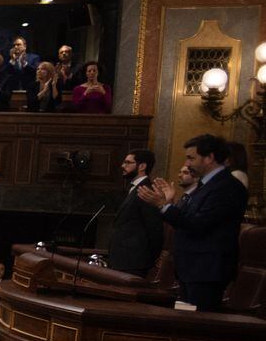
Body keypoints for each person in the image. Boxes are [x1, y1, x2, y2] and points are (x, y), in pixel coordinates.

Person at [137, 133, 248, 310]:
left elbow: (198, 224)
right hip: (191, 270)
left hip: (207, 272)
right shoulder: (205, 185)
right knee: (184, 323)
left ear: (209, 158)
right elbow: (185, 220)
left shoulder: (227, 186)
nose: (187, 163)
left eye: (191, 158)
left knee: (197, 328)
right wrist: (168, 203)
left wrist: (163, 206)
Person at [105, 147, 164, 277]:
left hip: (133, 262)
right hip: (123, 259)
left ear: (142, 166)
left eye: (127, 162)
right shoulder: (134, 188)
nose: (122, 165)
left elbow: (154, 228)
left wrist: (150, 258)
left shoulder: (146, 191)